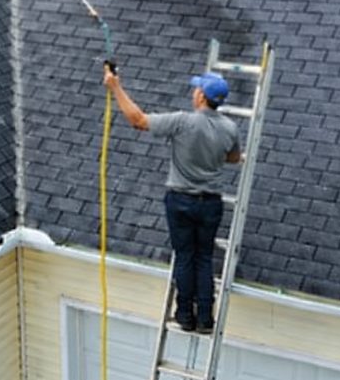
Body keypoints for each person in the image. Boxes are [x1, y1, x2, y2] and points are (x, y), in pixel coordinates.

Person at [103, 64, 241, 334]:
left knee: (185, 256)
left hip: (181, 202)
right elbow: (234, 158)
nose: (194, 92)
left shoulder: (183, 122)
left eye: (196, 88)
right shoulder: (230, 128)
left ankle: (184, 315)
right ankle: (204, 318)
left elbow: (138, 120)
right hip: (211, 204)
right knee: (204, 258)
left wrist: (115, 86)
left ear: (201, 96)